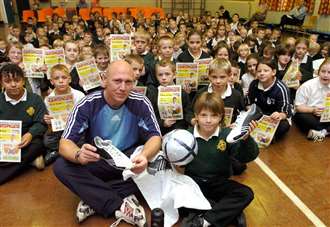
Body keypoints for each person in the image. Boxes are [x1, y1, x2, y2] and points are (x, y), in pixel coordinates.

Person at [53, 60, 161, 224]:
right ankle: (119, 204)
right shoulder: (87, 104)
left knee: (161, 164)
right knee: (61, 166)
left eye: (128, 82)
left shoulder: (141, 102)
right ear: (104, 80)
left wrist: (145, 156)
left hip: (129, 162)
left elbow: (155, 136)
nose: (123, 87)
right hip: (98, 160)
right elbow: (65, 143)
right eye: (117, 81)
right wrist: (78, 155)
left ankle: (93, 198)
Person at [182, 91, 259, 227]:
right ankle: (224, 213)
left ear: (221, 117)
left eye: (214, 115)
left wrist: (246, 139)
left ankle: (204, 221)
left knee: (246, 193)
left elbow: (246, 157)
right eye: (203, 115)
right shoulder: (186, 136)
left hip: (218, 182)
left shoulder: (227, 135)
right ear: (196, 116)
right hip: (193, 183)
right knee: (176, 198)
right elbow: (178, 165)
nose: (208, 120)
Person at [0, 64, 48, 185]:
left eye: (17, 80)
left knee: (38, 145)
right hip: (4, 140)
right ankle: (30, 161)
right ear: (1, 83)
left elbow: (41, 123)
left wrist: (31, 134)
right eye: (7, 81)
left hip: (27, 140)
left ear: (24, 80)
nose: (13, 84)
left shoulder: (35, 99)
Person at [43, 64, 85, 165]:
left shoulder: (79, 95)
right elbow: (51, 125)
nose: (61, 81)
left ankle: (60, 152)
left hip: (76, 128)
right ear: (52, 82)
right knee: (47, 140)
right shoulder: (49, 99)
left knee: (84, 137)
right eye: (57, 78)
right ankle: (61, 151)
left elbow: (84, 118)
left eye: (64, 77)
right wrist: (48, 121)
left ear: (69, 79)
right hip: (59, 130)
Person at [248, 60, 292, 141]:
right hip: (258, 116)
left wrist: (279, 115)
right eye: (259, 71)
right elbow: (249, 104)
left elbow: (285, 113)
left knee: (284, 126)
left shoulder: (281, 88)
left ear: (273, 72)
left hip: (273, 119)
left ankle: (268, 137)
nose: (262, 73)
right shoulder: (253, 84)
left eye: (266, 71)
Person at [146, 60, 193, 135]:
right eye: (160, 75)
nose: (164, 78)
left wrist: (191, 120)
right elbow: (151, 116)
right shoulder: (153, 94)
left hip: (180, 130)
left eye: (167, 74)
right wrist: (163, 123)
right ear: (156, 76)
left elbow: (188, 112)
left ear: (174, 75)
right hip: (161, 132)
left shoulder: (182, 93)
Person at [294, 58, 330, 142]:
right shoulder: (307, 86)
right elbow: (298, 107)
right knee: (302, 118)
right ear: (318, 72)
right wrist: (313, 110)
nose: (325, 75)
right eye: (323, 71)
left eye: (329, 73)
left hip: (326, 116)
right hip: (310, 113)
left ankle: (322, 132)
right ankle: (325, 130)